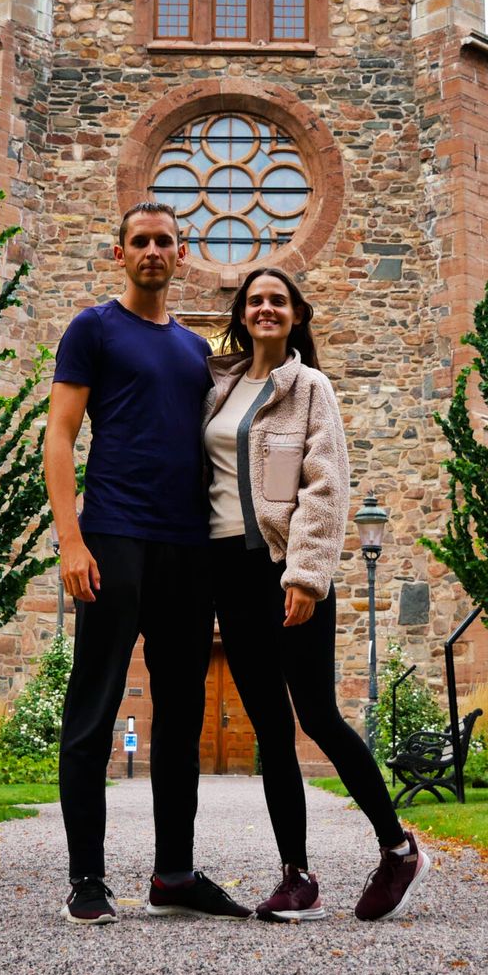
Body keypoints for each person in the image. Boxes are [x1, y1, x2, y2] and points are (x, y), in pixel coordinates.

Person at [45, 202, 253, 926]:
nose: (154, 251)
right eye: (141, 241)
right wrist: (71, 541)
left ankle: (174, 873)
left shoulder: (198, 350)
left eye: (165, 240)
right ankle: (86, 880)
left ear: (182, 251)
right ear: (120, 253)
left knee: (182, 712)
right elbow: (61, 436)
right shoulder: (93, 329)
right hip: (112, 536)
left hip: (187, 546)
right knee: (94, 707)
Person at [203, 267, 431, 922]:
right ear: (242, 314)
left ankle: (397, 847)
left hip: (283, 571)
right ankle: (296, 878)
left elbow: (323, 487)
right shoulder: (218, 389)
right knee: (270, 731)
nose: (265, 308)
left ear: (296, 314)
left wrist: (305, 576)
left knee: (318, 716)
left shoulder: (309, 388)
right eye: (254, 300)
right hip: (227, 571)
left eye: (277, 300)